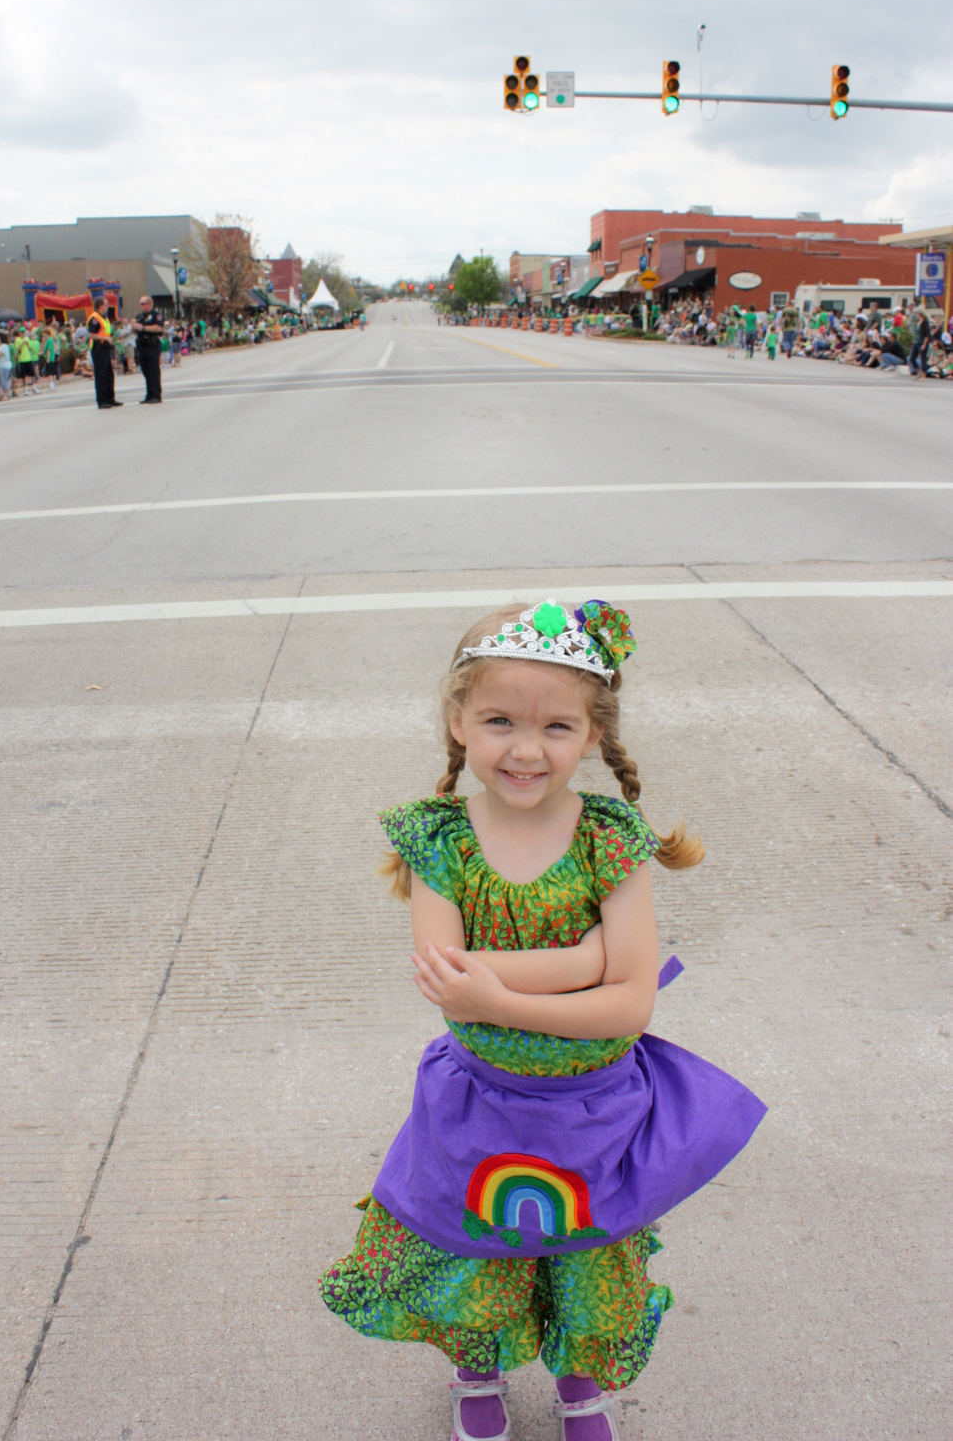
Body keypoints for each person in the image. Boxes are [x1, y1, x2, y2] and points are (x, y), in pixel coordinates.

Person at [319, 600, 765, 1441]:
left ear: (591, 733)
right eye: (498, 721)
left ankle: (579, 1388)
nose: (526, 749)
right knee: (473, 1246)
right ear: (457, 722)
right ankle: (475, 1371)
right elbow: (447, 981)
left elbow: (631, 1005)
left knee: (589, 1256)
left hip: (595, 1107)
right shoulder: (439, 842)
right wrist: (585, 961)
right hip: (483, 1102)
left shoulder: (610, 840)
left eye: (556, 726)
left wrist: (500, 993)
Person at [87, 298, 120, 407]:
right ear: (100, 306)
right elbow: (92, 334)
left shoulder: (104, 318)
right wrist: (106, 338)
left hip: (105, 348)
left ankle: (110, 398)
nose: (107, 306)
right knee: (101, 375)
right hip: (98, 349)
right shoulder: (94, 318)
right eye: (106, 304)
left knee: (109, 375)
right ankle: (102, 401)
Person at [132, 295, 164, 403]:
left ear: (149, 304)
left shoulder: (156, 315)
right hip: (142, 346)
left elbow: (159, 328)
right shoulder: (140, 317)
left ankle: (156, 394)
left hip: (152, 345)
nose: (140, 306)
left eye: (142, 304)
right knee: (146, 371)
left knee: (153, 370)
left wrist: (144, 328)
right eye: (140, 304)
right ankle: (149, 394)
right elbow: (135, 330)